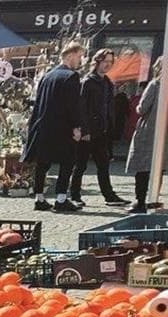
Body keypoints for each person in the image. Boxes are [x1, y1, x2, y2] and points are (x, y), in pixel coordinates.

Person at [25, 41, 86, 212]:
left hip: (43, 125)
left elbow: (38, 102)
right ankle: (61, 199)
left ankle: (39, 198)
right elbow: (73, 104)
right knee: (67, 162)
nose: (80, 61)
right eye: (79, 56)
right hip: (62, 127)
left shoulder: (47, 76)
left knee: (42, 163)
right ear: (70, 56)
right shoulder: (71, 76)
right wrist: (76, 126)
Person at [72, 49, 128, 206]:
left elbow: (108, 107)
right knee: (81, 165)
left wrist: (111, 127)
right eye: (105, 62)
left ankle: (109, 195)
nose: (108, 65)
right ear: (97, 62)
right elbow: (81, 108)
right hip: (89, 131)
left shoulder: (107, 82)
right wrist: (85, 130)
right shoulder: (88, 82)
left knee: (103, 165)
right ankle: (74, 195)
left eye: (110, 62)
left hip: (102, 131)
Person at [127, 58, 163, 214]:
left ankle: (141, 201)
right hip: (163, 134)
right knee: (158, 168)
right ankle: (153, 199)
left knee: (143, 168)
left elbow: (142, 108)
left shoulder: (155, 85)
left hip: (149, 131)